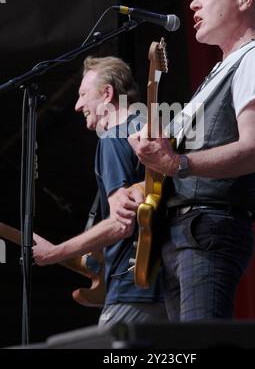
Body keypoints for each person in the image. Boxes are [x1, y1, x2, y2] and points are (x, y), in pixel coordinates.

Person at [115, 0, 255, 322]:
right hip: (183, 232)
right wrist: (141, 186)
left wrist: (176, 162)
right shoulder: (219, 72)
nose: (194, 3)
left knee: (200, 345)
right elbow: (172, 164)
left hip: (207, 229)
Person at [33, 56, 166, 327]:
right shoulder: (153, 132)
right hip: (167, 284)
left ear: (107, 94)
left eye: (83, 94)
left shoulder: (114, 138)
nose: (78, 105)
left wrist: (54, 253)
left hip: (132, 287)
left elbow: (122, 224)